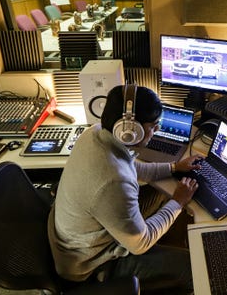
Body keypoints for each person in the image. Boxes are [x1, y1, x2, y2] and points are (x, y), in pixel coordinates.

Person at [47, 84, 201, 294]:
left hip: (78, 237)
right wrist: (178, 202)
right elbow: (141, 243)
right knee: (197, 268)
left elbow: (131, 167)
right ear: (131, 130)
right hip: (90, 264)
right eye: (154, 125)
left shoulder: (96, 133)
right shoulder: (113, 181)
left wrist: (174, 167)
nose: (157, 130)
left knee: (160, 192)